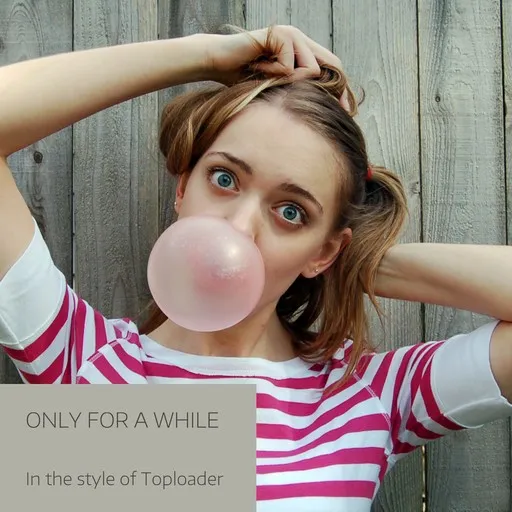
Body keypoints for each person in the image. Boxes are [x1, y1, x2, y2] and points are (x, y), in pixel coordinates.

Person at [0, 23, 511, 511]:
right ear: (184, 187)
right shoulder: (81, 360)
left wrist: (359, 265)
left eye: (291, 212)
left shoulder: (364, 396)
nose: (240, 227)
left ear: (324, 252)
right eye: (224, 179)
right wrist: (205, 55)